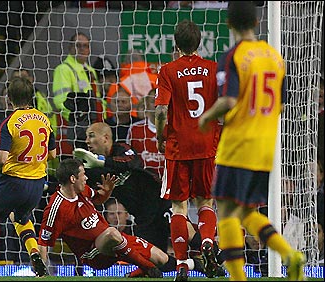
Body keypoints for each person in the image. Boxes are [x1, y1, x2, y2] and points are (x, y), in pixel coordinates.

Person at [198, 2, 306, 281]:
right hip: (265, 146)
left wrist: (206, 117)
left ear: (228, 24)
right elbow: (282, 102)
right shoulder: (274, 57)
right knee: (247, 211)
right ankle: (290, 255)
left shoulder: (233, 56)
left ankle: (237, 277)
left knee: (224, 210)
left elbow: (229, 100)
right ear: (258, 23)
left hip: (237, 145)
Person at [72, 122, 224, 278]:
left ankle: (219, 256)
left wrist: (103, 162)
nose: (87, 141)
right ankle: (198, 265)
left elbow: (133, 163)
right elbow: (91, 196)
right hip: (142, 217)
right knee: (157, 261)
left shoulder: (122, 149)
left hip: (159, 201)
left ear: (105, 138)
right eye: (86, 137)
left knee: (185, 231)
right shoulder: (91, 170)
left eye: (91, 135)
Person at [0, 76, 57, 278]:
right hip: (37, 184)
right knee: (20, 217)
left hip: (14, 181)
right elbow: (52, 155)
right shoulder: (45, 119)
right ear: (32, 97)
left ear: (9, 99)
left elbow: (2, 158)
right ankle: (33, 250)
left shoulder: (9, 123)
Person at [155, 19, 221, 280]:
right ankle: (206, 241)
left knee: (179, 208)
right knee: (206, 202)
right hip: (207, 146)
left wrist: (161, 135)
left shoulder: (168, 70)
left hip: (178, 148)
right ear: (199, 43)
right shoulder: (213, 69)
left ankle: (182, 263)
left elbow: (161, 110)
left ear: (175, 43)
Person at [38, 158, 170, 278]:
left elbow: (98, 199)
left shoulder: (82, 190)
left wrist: (107, 191)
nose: (86, 178)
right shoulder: (56, 209)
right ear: (73, 179)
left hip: (114, 239)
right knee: (112, 234)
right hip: (93, 254)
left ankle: (133, 275)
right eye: (83, 174)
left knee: (161, 258)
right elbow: (43, 243)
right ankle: (148, 268)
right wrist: (42, 274)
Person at [52, 32, 105, 150]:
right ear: (70, 48)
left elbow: (97, 99)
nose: (82, 49)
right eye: (78, 45)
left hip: (92, 126)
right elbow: (61, 101)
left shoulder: (90, 71)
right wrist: (78, 120)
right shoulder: (63, 70)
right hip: (75, 128)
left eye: (85, 46)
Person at [127, 89, 165, 178]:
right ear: (146, 105)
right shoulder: (135, 129)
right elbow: (129, 157)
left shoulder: (174, 128)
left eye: (160, 101)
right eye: (153, 101)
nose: (156, 105)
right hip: (143, 181)